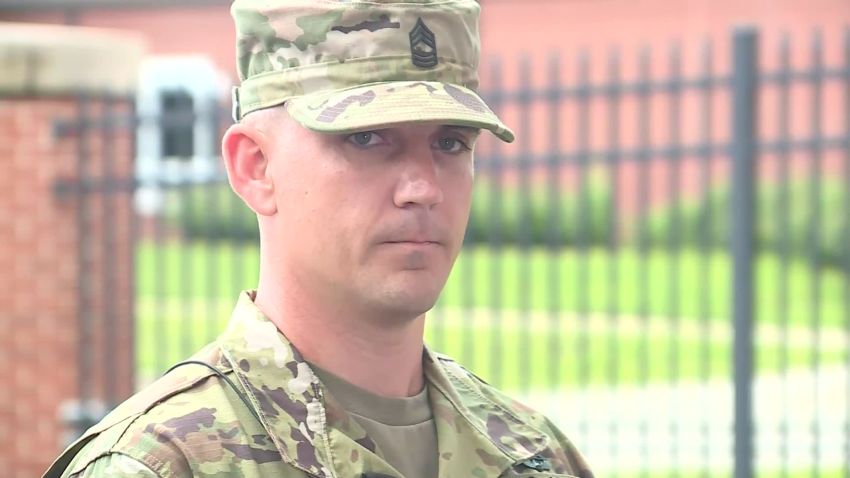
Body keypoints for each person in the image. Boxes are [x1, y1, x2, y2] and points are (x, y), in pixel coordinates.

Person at [45, 1, 594, 477]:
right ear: (255, 167)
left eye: (450, 143)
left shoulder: (532, 454)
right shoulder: (162, 464)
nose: (422, 188)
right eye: (367, 138)